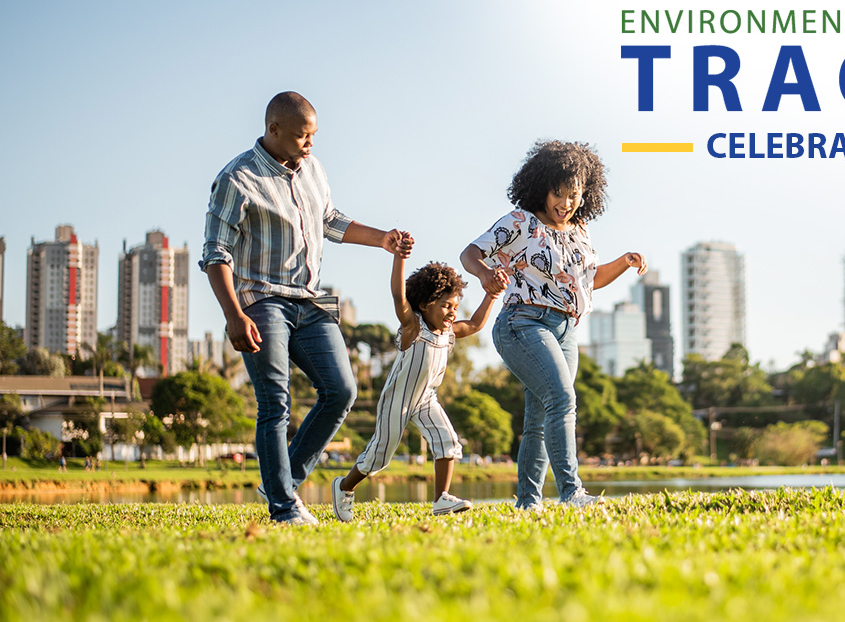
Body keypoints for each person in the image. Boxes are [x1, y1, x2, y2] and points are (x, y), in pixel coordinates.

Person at [201, 91, 410, 526]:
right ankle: (282, 507)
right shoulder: (237, 179)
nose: (310, 144)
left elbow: (330, 220)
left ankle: (282, 479)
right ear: (273, 130)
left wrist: (382, 238)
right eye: (301, 136)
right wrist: (233, 315)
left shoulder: (313, 169)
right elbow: (216, 254)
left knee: (342, 391)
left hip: (310, 301)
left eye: (313, 135)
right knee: (274, 401)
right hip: (261, 301)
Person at [460, 140, 646, 510]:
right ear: (540, 187)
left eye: (574, 195)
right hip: (523, 324)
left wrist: (623, 262)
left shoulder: (580, 228)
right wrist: (484, 275)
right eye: (558, 193)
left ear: (585, 194)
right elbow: (470, 253)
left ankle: (528, 503)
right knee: (562, 398)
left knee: (540, 418)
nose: (566, 203)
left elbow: (588, 279)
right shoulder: (520, 222)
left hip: (566, 331)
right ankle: (572, 492)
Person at [331, 241, 501, 520]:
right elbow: (399, 296)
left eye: (454, 306)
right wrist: (399, 259)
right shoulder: (413, 327)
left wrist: (492, 296)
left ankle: (441, 499)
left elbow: (474, 324)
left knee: (447, 441)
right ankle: (344, 486)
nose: (452, 313)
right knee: (379, 456)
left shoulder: (448, 333)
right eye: (445, 306)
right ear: (424, 304)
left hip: (426, 399)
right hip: (398, 399)